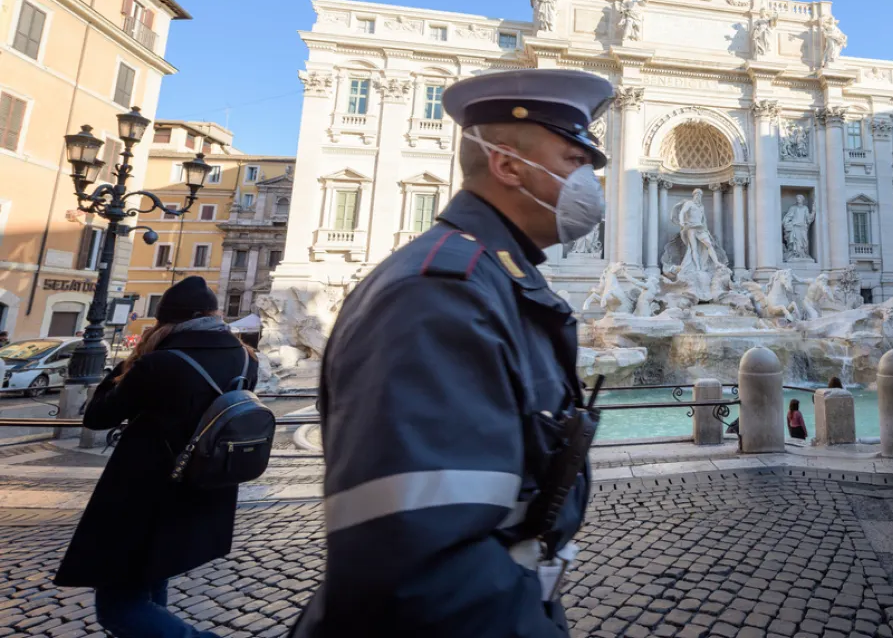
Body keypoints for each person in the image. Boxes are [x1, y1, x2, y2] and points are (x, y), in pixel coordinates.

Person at [291, 69, 614, 638]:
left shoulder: (491, 277)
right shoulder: (440, 291)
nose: (590, 182)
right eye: (573, 160)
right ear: (508, 166)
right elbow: (422, 561)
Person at [55, 276, 257, 638]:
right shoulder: (244, 359)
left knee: (118, 608)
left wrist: (129, 365)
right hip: (202, 489)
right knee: (151, 577)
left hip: (143, 494)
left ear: (165, 321)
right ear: (213, 314)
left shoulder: (158, 364)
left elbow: (98, 416)